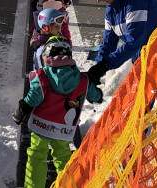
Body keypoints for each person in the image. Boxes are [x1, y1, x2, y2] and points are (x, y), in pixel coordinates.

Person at [13, 36, 103, 188]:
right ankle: (68, 184)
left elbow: (33, 98)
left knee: (36, 156)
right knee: (63, 156)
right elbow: (95, 95)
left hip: (40, 125)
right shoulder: (82, 80)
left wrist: (22, 109)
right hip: (63, 129)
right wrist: (98, 96)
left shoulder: (43, 76)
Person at [84, 0, 157, 83]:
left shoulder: (137, 2)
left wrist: (107, 64)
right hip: (142, 60)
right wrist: (98, 67)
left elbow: (133, 42)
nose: (98, 0)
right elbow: (108, 43)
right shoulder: (111, 10)